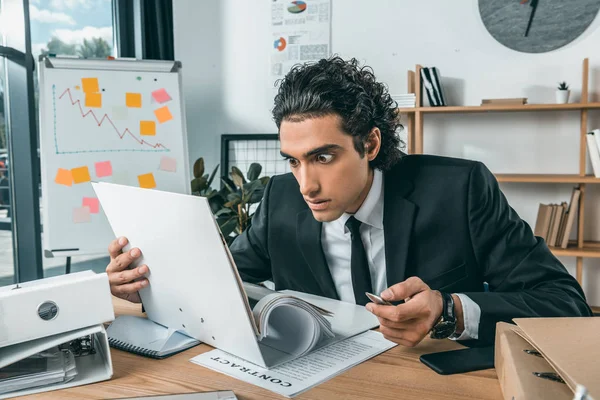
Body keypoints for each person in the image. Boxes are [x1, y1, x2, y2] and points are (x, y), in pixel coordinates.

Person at [106, 56, 592, 346]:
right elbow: (228, 280)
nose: (306, 184)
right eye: (293, 161)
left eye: (323, 157)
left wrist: (451, 311)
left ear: (371, 145)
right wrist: (148, 284)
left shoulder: (460, 191)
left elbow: (565, 304)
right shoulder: (280, 199)